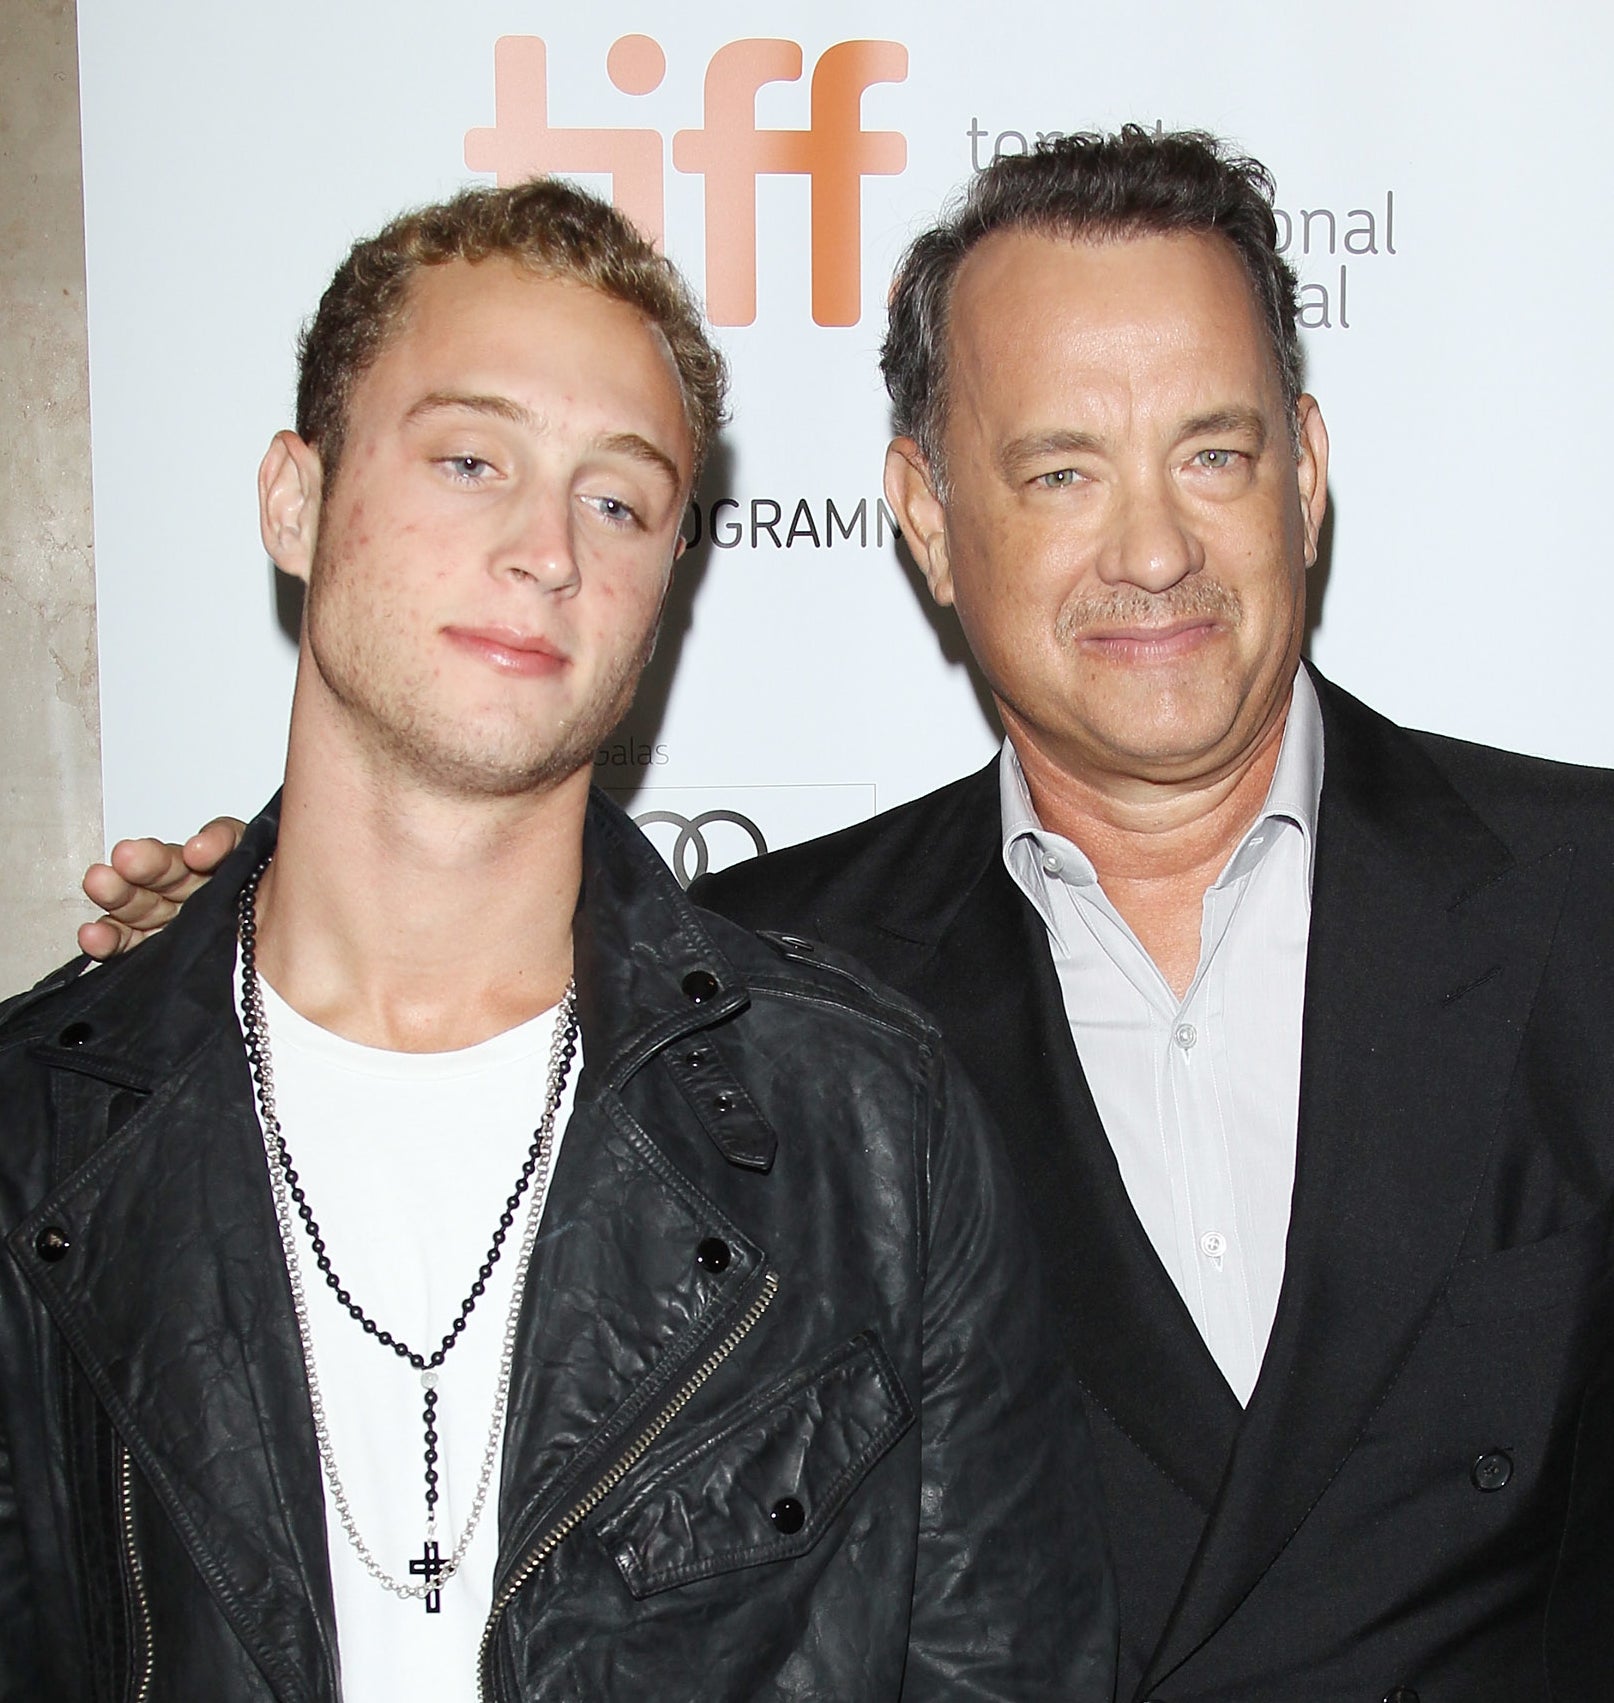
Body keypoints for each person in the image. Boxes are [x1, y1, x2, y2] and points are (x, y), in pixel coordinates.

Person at [79, 129, 1614, 1701]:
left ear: (1305, 467)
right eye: (1061, 471)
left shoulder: (1587, 906)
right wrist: (215, 962)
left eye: (1211, 456)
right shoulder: (753, 1011)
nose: (1153, 551)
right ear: (929, 517)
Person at [0, 178, 1114, 1702]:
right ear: (296, 497)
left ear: (665, 586)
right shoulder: (38, 1128)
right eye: (470, 459)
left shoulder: (868, 1129)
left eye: (618, 498)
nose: (546, 547)